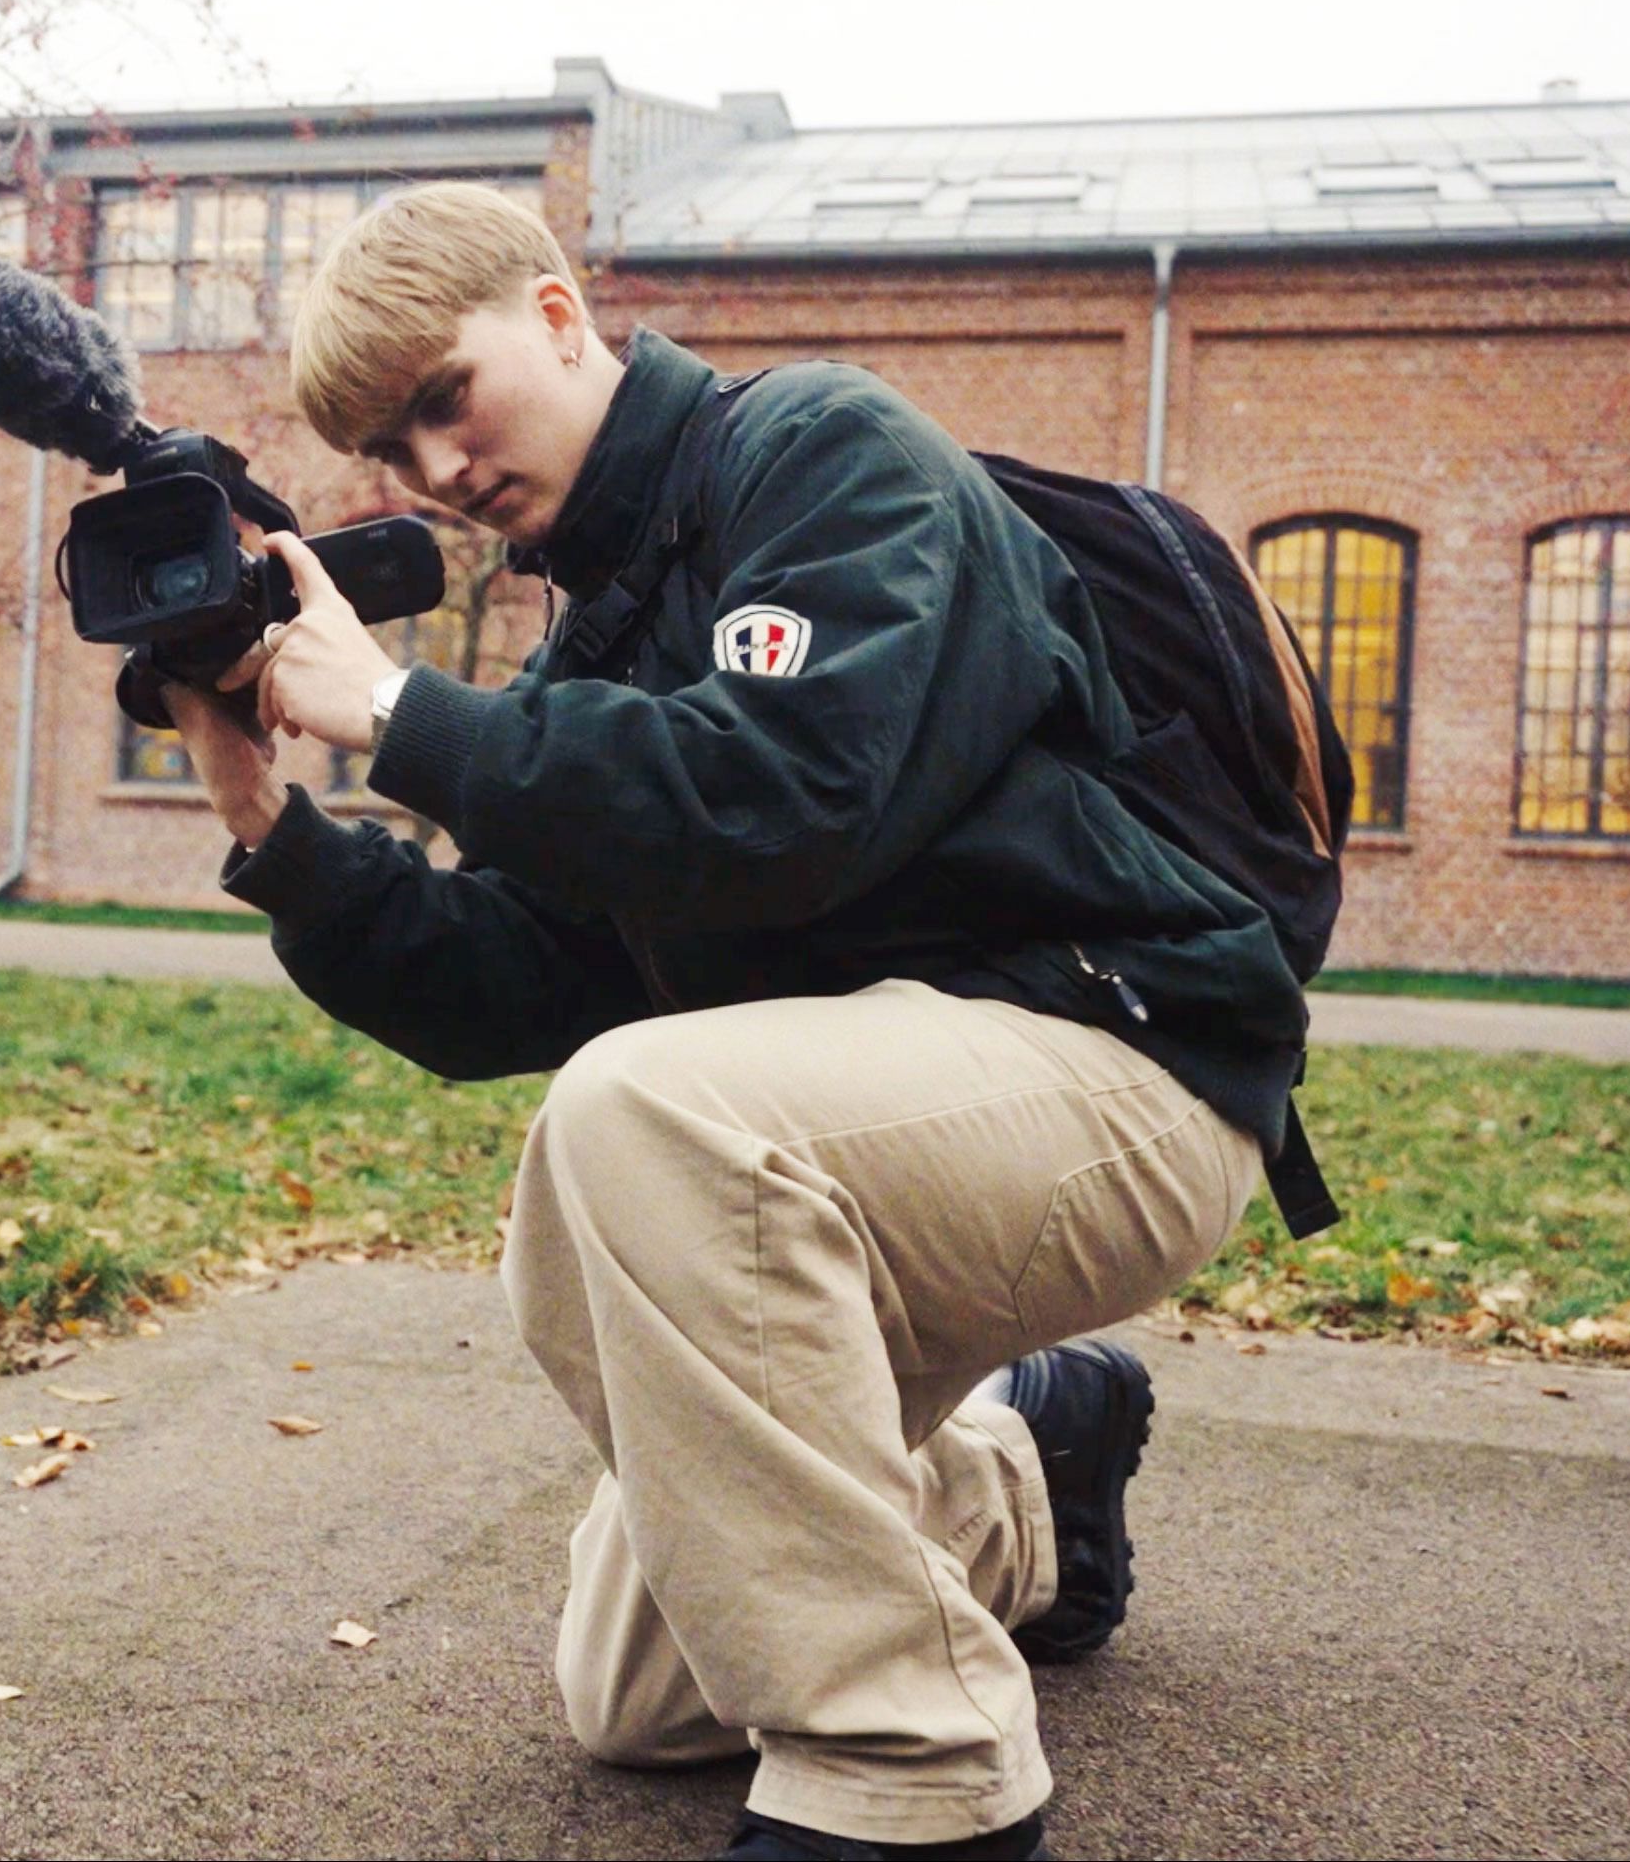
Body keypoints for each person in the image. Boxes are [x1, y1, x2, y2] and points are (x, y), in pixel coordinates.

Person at [160, 182, 1304, 1862]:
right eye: (393, 455)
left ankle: (915, 1778)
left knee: (639, 1116)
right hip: (862, 1147)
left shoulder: (825, 452)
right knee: (640, 1692)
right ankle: (1024, 1481)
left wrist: (402, 713)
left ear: (559, 315)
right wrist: (269, 820)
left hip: (1118, 1065)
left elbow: (786, 800)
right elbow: (513, 985)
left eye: (442, 397)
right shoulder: (595, 641)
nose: (436, 470)